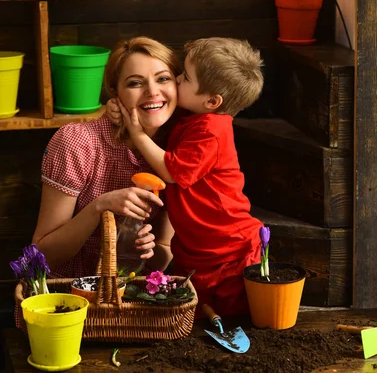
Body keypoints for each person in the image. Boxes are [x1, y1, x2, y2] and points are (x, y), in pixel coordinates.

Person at [113, 37, 265, 317]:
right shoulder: (196, 116)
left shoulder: (211, 130)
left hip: (228, 246)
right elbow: (150, 105)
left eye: (184, 77)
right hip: (197, 246)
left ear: (211, 101)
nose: (177, 81)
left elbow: (171, 171)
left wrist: (136, 133)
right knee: (195, 310)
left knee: (236, 313)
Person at [32, 37, 182, 279]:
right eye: (135, 83)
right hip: (67, 300)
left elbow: (163, 253)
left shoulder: (179, 152)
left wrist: (145, 251)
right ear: (115, 92)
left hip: (132, 304)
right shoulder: (78, 142)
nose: (153, 92)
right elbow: (43, 255)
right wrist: (99, 206)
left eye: (163, 78)